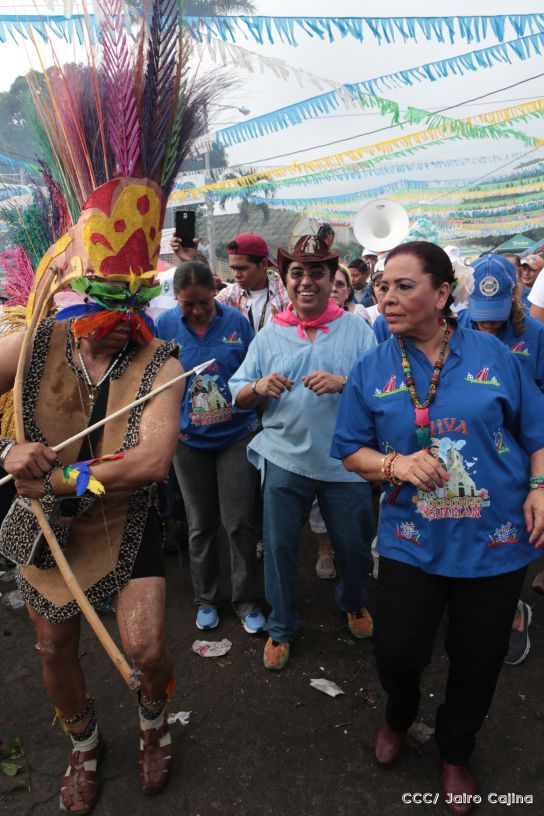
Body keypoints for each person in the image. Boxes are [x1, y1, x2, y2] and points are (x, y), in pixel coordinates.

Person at [331, 241, 544, 816]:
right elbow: (349, 448)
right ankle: (399, 715)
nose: (388, 297)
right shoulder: (373, 367)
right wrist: (394, 465)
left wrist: (541, 488)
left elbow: (537, 431)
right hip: (411, 539)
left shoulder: (496, 357)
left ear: (443, 294)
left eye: (404, 286)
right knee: (397, 651)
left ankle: (456, 751)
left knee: (477, 660)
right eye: (381, 286)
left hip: (495, 544)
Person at [229, 235, 376, 671]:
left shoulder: (357, 329)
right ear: (286, 280)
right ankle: (281, 626)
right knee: (278, 549)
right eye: (297, 273)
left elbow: (385, 391)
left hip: (345, 462)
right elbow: (237, 391)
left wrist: (345, 383)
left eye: (317, 273)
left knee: (352, 548)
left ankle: (353, 602)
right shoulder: (270, 335)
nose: (306, 281)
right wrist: (257, 388)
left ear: (333, 280)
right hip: (284, 459)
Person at [155, 260, 265, 634]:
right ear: (176, 300)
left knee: (239, 522)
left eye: (204, 301)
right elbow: (155, 385)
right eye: (189, 304)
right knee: (200, 524)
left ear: (213, 292)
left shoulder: (236, 323)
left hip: (236, 436)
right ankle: (207, 599)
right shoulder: (164, 327)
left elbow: (254, 373)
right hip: (188, 442)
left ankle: (247, 601)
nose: (198, 310)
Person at [171, 232, 290, 330]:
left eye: (242, 268)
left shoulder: (287, 294)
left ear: (263, 264)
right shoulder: (230, 294)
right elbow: (201, 309)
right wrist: (190, 261)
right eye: (232, 268)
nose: (236, 275)